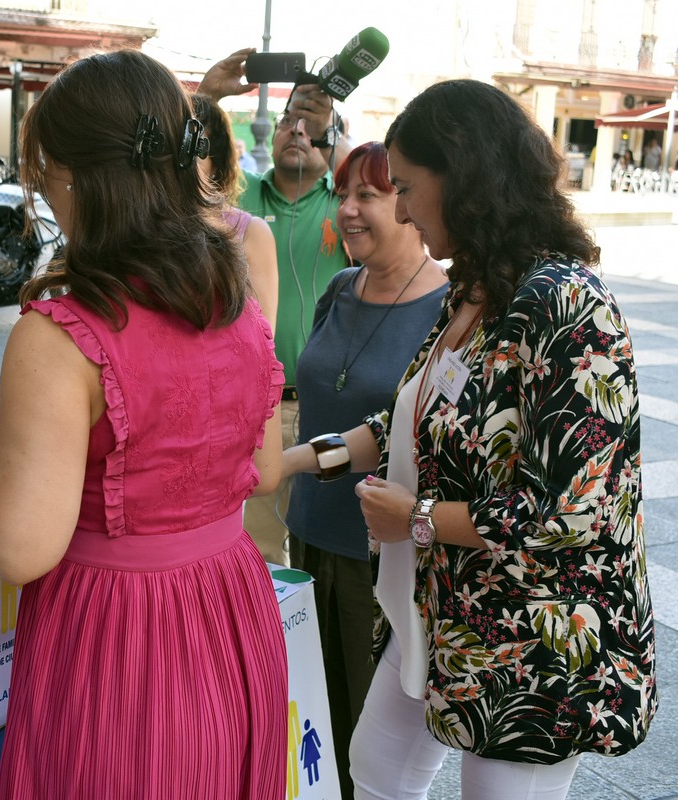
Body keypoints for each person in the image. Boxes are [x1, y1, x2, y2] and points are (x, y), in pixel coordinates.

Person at [0, 48, 289, 799]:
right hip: (230, 608)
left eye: (44, 176)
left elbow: (19, 546)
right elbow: (264, 472)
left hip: (119, 633)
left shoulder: (65, 332)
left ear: (73, 176)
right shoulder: (233, 297)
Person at [283, 79, 658, 799]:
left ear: (467, 179)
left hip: (533, 639)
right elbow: (401, 423)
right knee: (376, 771)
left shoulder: (565, 304)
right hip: (436, 612)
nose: (399, 209)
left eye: (408, 187)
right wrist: (291, 462)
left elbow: (572, 514)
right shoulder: (473, 292)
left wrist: (417, 522)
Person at [286, 141, 448, 797]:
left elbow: (417, 438)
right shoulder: (336, 289)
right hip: (308, 533)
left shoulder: (451, 309)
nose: (347, 211)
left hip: (383, 555)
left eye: (368, 196)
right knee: (308, 718)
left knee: (368, 741)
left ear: (408, 204)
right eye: (342, 195)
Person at [199, 48, 353, 566]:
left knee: (324, 546)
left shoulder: (344, 205)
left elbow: (366, 171)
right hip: (262, 409)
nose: (296, 131)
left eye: (310, 125)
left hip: (329, 408)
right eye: (288, 121)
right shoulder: (242, 211)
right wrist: (208, 95)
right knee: (263, 550)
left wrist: (333, 128)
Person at [190, 92, 278, 328]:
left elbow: (264, 334)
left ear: (216, 161)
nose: (185, 160)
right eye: (179, 146)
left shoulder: (250, 232)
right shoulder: (147, 222)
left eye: (196, 150)